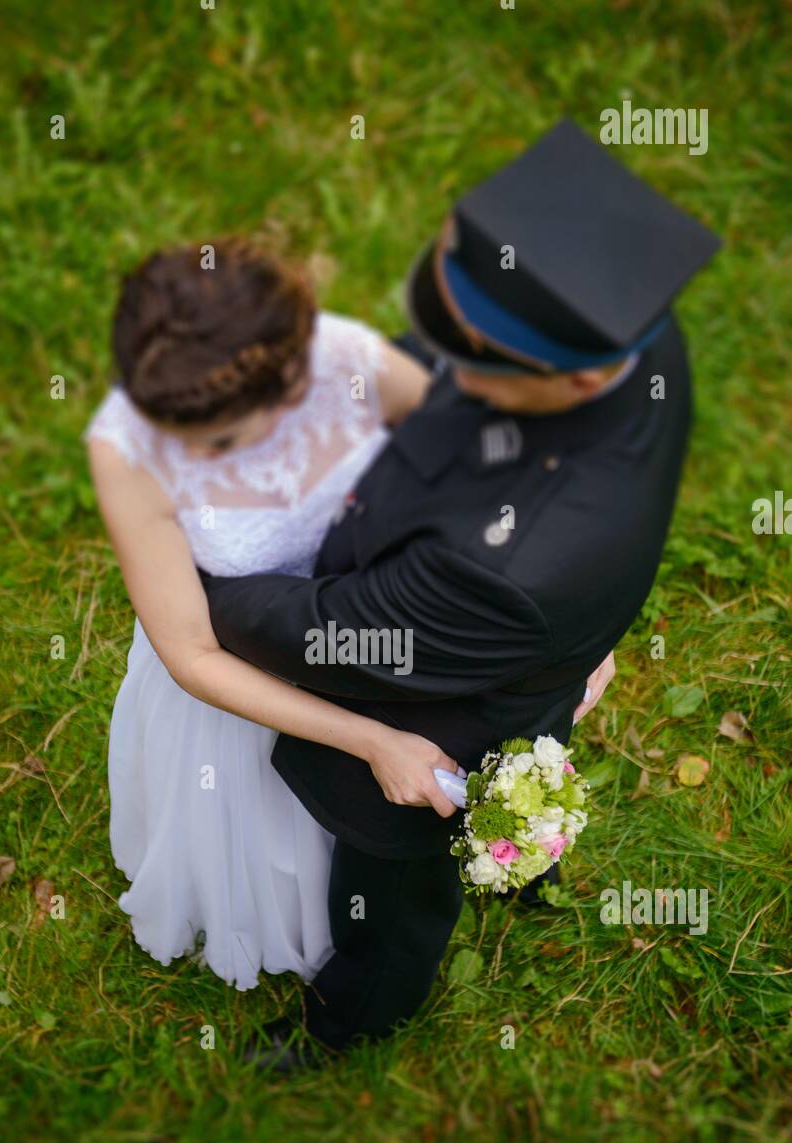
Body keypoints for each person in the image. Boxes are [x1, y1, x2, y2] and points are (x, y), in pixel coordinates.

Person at [196, 119, 721, 1071]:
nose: (434, 357)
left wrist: (191, 572)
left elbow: (330, 635)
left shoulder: (508, 570)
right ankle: (523, 852)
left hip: (437, 718)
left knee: (391, 891)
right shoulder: (623, 318)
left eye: (471, 353)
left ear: (579, 376)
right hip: (531, 644)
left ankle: (354, 1020)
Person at [86, 237, 463, 992]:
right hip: (240, 677)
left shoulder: (348, 358)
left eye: (224, 439)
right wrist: (373, 740)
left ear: (292, 371)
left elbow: (466, 463)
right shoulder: (125, 449)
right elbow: (192, 655)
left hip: (378, 618)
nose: (207, 456)